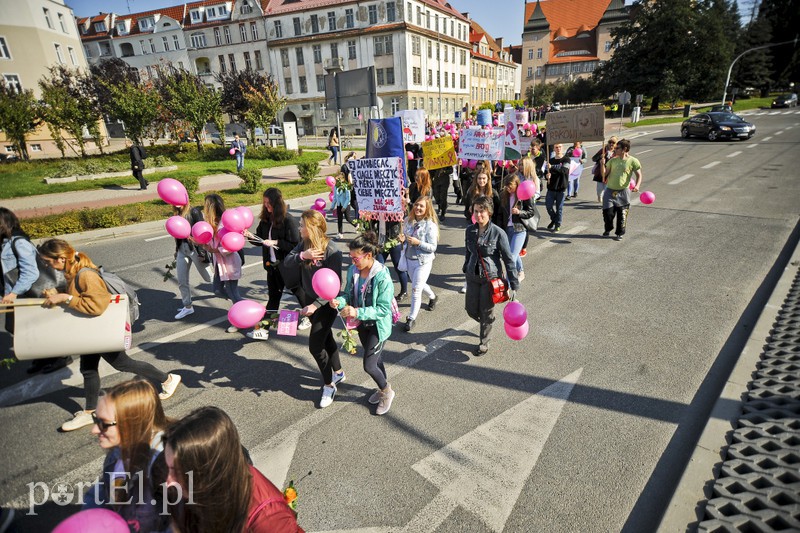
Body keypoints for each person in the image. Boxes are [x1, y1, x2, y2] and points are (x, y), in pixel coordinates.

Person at [38, 239, 181, 432]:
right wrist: (58, 291)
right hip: (92, 331)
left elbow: (97, 305)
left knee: (122, 363)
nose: (47, 265)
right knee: (89, 369)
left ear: (61, 258)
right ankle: (89, 412)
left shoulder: (86, 274)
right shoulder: (72, 271)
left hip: (101, 328)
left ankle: (168, 379)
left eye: (48, 261)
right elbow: (80, 294)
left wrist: (66, 298)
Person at [163, 406, 304, 533]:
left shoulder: (267, 520)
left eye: (177, 472)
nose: (167, 481)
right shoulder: (201, 488)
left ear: (209, 471)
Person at [83, 379, 173, 532]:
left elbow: (175, 523)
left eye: (103, 423)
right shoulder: (117, 453)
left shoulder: (164, 467)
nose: (94, 430)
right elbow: (102, 491)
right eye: (95, 419)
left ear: (131, 422)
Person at [283, 210, 345, 408]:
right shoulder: (304, 245)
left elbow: (334, 288)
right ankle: (338, 373)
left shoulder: (332, 251)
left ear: (311, 228)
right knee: (326, 339)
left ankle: (329, 386)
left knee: (315, 346)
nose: (299, 228)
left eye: (302, 225)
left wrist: (315, 305)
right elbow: (286, 262)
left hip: (326, 304)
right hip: (310, 300)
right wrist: (303, 255)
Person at [331, 232, 396, 415]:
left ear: (368, 255)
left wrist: (357, 311)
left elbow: (383, 309)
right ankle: (381, 387)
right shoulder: (353, 271)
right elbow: (347, 294)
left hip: (378, 326)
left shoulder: (382, 276)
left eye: (355, 258)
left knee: (368, 365)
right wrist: (339, 301)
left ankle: (387, 391)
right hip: (362, 324)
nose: (352, 262)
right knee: (376, 360)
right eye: (350, 258)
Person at [1, 208, 72, 374]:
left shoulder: (18, 242)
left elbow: (31, 272)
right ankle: (43, 357)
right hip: (16, 293)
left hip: (29, 292)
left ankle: (58, 357)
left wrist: (13, 293)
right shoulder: (4, 243)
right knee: (19, 326)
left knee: (31, 325)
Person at [463, 196, 519, 356]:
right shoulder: (470, 230)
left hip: (491, 278)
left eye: (482, 211)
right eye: (476, 211)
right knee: (471, 309)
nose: (479, 215)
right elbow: (468, 252)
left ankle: (484, 342)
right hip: (472, 276)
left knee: (486, 311)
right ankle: (487, 321)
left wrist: (513, 284)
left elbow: (509, 259)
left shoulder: (498, 233)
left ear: (489, 212)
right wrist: (465, 267)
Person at [244, 188, 301, 340]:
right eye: (264, 204)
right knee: (273, 298)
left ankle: (312, 317)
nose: (267, 207)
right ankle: (263, 330)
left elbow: (295, 244)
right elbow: (259, 241)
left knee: (300, 295)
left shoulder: (288, 220)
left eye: (269, 204)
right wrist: (250, 236)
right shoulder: (264, 220)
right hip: (272, 267)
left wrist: (276, 242)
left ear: (276, 204)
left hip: (287, 267)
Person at [203, 194, 244, 332]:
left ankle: (240, 319)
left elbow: (230, 247)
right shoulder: (211, 224)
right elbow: (209, 241)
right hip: (219, 265)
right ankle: (243, 305)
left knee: (233, 292)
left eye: (205, 206)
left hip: (230, 264)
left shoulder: (225, 224)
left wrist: (214, 250)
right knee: (217, 290)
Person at [397, 196, 439, 332]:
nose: (418, 208)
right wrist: (402, 239)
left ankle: (411, 318)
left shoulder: (430, 225)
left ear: (427, 209)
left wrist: (418, 243)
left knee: (415, 290)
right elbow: (404, 237)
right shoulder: (408, 221)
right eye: (416, 205)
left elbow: (433, 247)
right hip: (409, 259)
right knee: (418, 284)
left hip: (423, 261)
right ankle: (433, 297)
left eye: (421, 206)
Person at [172, 204, 213, 321]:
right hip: (182, 250)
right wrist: (176, 250)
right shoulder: (176, 214)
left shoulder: (194, 212)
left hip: (195, 250)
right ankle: (188, 306)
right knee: (182, 280)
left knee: (209, 278)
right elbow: (177, 235)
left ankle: (225, 288)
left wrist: (202, 252)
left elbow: (202, 232)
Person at [602, 138, 643, 241]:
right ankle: (608, 228)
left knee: (622, 214)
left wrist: (637, 186)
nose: (615, 149)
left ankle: (619, 233)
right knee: (608, 213)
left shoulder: (633, 161)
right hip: (609, 191)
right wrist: (602, 164)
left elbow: (639, 175)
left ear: (624, 149)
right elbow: (604, 174)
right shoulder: (612, 160)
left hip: (623, 191)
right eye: (615, 147)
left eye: (617, 148)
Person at [498, 174, 535, 282]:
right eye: (506, 187)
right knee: (512, 254)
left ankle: (508, 283)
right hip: (507, 229)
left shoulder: (523, 194)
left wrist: (519, 212)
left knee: (511, 257)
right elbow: (500, 214)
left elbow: (531, 211)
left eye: (510, 186)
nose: (508, 189)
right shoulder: (503, 195)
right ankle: (521, 272)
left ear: (516, 184)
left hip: (519, 229)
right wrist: (500, 229)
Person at [545, 143, 570, 233]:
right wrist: (547, 176)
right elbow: (546, 173)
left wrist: (552, 168)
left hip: (561, 188)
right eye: (556, 147)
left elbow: (564, 171)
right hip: (551, 188)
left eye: (560, 147)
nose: (558, 148)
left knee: (559, 208)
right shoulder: (550, 160)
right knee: (548, 206)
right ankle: (554, 219)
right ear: (554, 149)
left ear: (562, 148)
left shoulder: (566, 159)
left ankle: (557, 224)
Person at [592, 137, 618, 203]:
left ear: (616, 144)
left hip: (610, 174)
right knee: (599, 190)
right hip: (601, 173)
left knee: (607, 190)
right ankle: (599, 196)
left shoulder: (617, 151)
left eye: (613, 142)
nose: (611, 144)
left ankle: (606, 201)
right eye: (610, 142)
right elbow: (594, 158)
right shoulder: (603, 150)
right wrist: (600, 157)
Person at [332, 171, 356, 239]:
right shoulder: (336, 187)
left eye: (338, 179)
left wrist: (344, 207)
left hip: (346, 205)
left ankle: (356, 225)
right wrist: (332, 206)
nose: (337, 180)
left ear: (342, 179)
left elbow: (348, 198)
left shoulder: (346, 186)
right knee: (339, 219)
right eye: (336, 179)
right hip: (339, 205)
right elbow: (335, 197)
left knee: (348, 218)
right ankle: (340, 233)